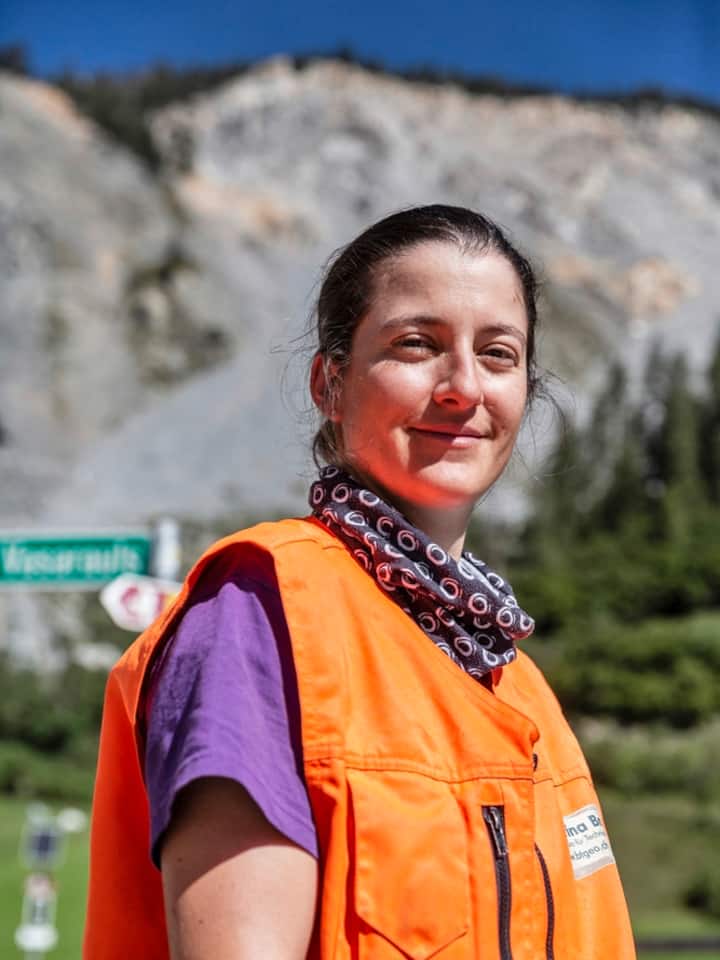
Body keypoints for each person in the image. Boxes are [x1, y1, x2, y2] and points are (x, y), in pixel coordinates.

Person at [84, 204, 636, 959]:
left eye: (498, 354)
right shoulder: (263, 611)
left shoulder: (517, 683)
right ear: (331, 384)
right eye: (417, 344)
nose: (464, 386)